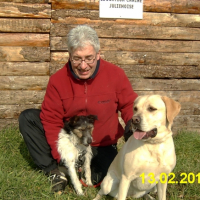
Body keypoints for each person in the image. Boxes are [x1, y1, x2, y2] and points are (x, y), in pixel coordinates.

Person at [18, 25, 138, 193]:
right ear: (69, 55)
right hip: (70, 141)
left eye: (89, 58)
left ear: (98, 54)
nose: (83, 66)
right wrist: (61, 155)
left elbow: (129, 105)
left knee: (105, 180)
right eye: (77, 59)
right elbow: (51, 119)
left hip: (100, 144)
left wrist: (132, 124)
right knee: (28, 118)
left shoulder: (116, 74)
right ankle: (54, 171)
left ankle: (77, 170)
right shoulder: (57, 80)